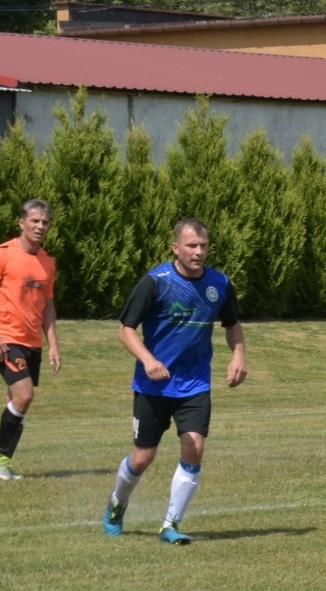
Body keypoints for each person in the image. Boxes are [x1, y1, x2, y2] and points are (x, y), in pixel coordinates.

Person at [102, 218, 247, 544]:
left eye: (204, 246)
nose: (198, 252)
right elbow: (125, 330)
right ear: (176, 247)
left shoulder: (219, 284)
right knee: (143, 457)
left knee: (194, 445)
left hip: (195, 383)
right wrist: (148, 360)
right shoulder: (156, 281)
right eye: (192, 246)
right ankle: (117, 503)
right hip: (152, 385)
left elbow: (232, 324)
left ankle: (171, 525)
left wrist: (239, 354)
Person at [0, 199, 61, 480]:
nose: (40, 226)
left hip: (32, 341)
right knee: (24, 395)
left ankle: (4, 460)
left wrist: (53, 345)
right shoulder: (3, 254)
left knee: (17, 399)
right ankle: (0, 456)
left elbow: (47, 305)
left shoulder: (47, 262)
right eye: (34, 221)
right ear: (21, 223)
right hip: (6, 339)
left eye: (45, 222)